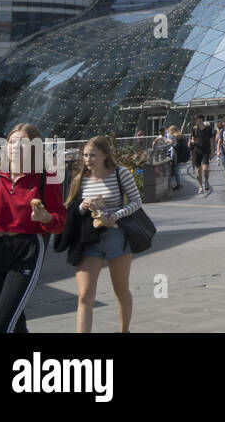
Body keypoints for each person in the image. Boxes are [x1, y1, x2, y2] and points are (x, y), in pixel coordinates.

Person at [0, 123, 67, 333]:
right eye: (12, 142)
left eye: (22, 142)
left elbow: (59, 221)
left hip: (26, 250)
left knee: (0, 326)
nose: (15, 146)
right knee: (14, 322)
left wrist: (46, 218)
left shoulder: (45, 179)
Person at [67, 136, 143, 333]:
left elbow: (136, 201)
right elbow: (71, 208)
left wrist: (116, 216)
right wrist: (83, 206)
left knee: (121, 289)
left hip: (116, 237)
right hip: (90, 239)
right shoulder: (80, 179)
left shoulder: (120, 174)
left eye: (92, 155)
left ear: (104, 155)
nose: (87, 159)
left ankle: (124, 330)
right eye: (85, 155)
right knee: (84, 294)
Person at [189, 114, 214, 194]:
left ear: (201, 119)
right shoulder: (195, 129)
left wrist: (212, 151)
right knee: (198, 170)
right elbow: (192, 139)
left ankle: (206, 181)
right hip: (197, 151)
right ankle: (200, 186)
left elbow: (211, 141)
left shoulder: (208, 128)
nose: (195, 120)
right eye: (195, 119)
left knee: (205, 168)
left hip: (206, 151)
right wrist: (193, 141)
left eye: (196, 119)